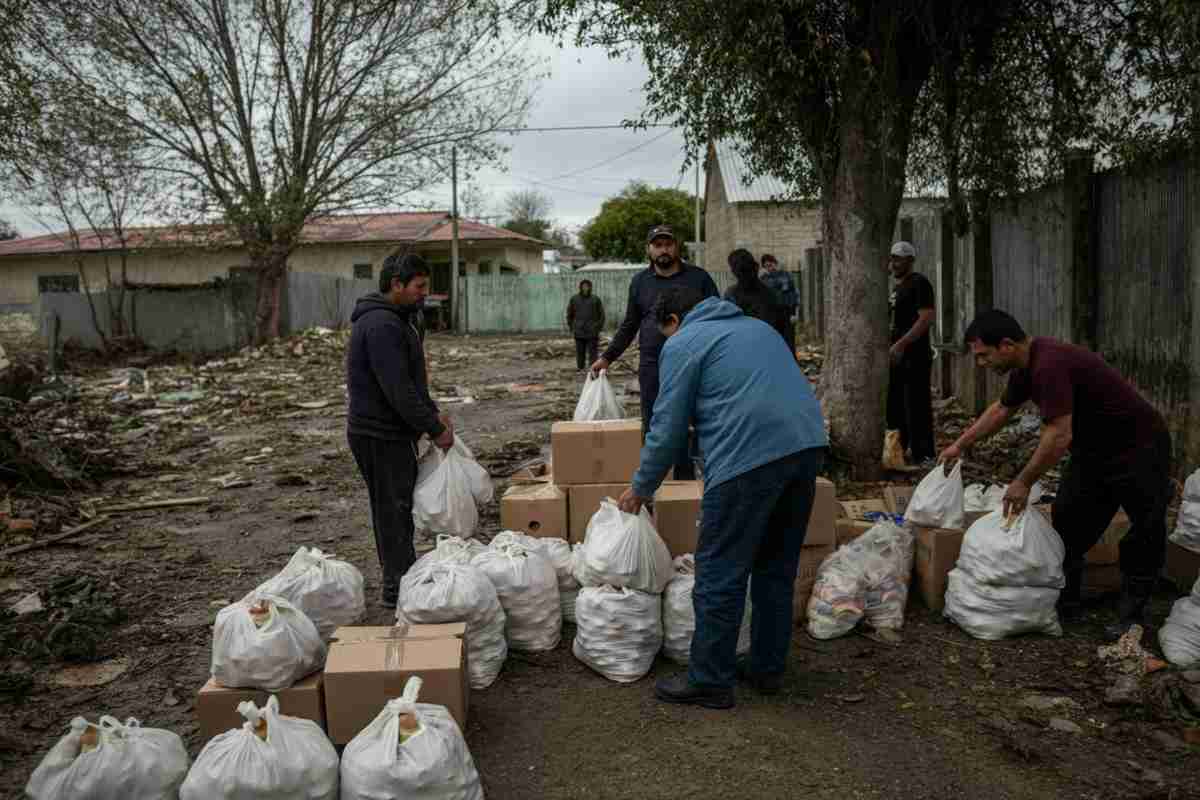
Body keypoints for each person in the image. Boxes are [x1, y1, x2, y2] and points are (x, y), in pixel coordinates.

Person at [618, 288, 827, 709]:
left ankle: (710, 679)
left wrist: (641, 487)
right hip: (806, 449)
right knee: (774, 567)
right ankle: (767, 669)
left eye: (663, 332)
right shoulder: (759, 328)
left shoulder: (684, 342)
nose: (665, 341)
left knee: (719, 570)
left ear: (674, 319)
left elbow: (668, 427)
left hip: (747, 459)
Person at [939, 309, 1171, 637]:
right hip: (1094, 453)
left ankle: (1132, 615)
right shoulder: (1025, 366)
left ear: (1006, 345)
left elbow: (1059, 435)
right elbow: (1002, 409)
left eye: (983, 356)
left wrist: (1023, 482)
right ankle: (1066, 601)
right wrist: (959, 446)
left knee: (1145, 531)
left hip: (1140, 449)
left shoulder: (1049, 365)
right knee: (1068, 522)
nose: (981, 363)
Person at [346, 253, 454, 608]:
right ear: (396, 284)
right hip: (377, 433)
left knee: (399, 507)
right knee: (391, 511)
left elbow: (413, 381)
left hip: (393, 432)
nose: (426, 292)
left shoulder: (404, 319)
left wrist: (432, 415)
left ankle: (404, 579)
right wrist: (433, 428)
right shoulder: (381, 325)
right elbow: (397, 389)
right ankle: (398, 589)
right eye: (420, 286)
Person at [591, 225, 719, 480]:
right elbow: (630, 323)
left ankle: (686, 483)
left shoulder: (699, 277)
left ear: (677, 247)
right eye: (658, 245)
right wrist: (607, 357)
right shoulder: (640, 282)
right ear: (649, 250)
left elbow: (717, 315)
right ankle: (653, 484)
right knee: (654, 423)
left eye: (668, 244)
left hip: (693, 361)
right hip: (653, 363)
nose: (663, 249)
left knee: (693, 419)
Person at [886, 240, 936, 466]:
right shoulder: (898, 287)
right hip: (898, 357)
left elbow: (926, 318)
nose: (894, 263)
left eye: (899, 258)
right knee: (897, 405)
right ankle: (902, 449)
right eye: (892, 258)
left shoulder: (919, 283)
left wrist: (902, 344)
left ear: (910, 260)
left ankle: (924, 453)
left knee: (917, 404)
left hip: (914, 355)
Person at [724, 248, 794, 352]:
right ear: (756, 267)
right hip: (770, 352)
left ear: (734, 272)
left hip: (746, 353)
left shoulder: (731, 295)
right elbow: (787, 335)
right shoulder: (772, 294)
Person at [566, 279, 605, 371]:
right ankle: (580, 368)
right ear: (580, 287)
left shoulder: (595, 299)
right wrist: (572, 327)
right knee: (580, 352)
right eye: (583, 286)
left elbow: (602, 315)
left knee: (593, 352)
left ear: (590, 287)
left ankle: (593, 368)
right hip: (579, 331)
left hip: (592, 331)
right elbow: (569, 314)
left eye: (587, 286)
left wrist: (597, 327)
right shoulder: (574, 299)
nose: (585, 288)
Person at [759, 253, 799, 318]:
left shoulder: (786, 275)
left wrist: (793, 313)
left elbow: (793, 293)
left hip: (785, 309)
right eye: (766, 266)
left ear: (775, 263)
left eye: (770, 265)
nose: (769, 268)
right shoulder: (763, 279)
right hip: (771, 311)